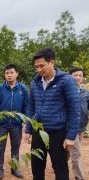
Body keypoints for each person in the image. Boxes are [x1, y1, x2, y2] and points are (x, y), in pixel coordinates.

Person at [24, 48, 80, 180]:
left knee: (60, 169)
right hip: (38, 131)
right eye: (36, 66)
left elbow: (74, 109)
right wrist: (28, 129)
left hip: (57, 132)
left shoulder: (66, 81)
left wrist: (71, 136)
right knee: (36, 168)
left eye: (41, 65)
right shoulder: (35, 82)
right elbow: (31, 107)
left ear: (52, 62)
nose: (39, 69)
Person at [0, 64, 28, 179]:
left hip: (16, 125)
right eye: (7, 73)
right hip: (2, 124)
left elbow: (26, 106)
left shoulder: (23, 89)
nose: (9, 75)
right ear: (5, 75)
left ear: (17, 74)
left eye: (11, 73)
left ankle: (14, 168)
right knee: (0, 147)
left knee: (15, 147)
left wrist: (25, 121)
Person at [68, 67, 89, 180]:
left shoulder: (86, 92)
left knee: (68, 151)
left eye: (80, 75)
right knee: (76, 154)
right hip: (70, 127)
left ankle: (59, 163)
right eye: (75, 75)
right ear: (70, 76)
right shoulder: (66, 91)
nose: (78, 77)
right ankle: (79, 177)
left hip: (82, 127)